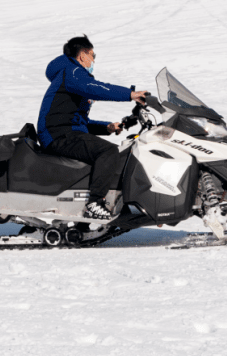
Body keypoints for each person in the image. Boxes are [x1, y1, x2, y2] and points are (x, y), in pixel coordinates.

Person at [36, 35, 149, 219]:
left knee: (109, 151)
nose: (94, 60)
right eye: (93, 55)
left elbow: (76, 121)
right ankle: (94, 203)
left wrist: (107, 128)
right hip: (58, 135)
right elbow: (95, 87)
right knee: (108, 152)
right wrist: (130, 94)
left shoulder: (69, 74)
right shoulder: (72, 72)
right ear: (83, 56)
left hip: (63, 132)